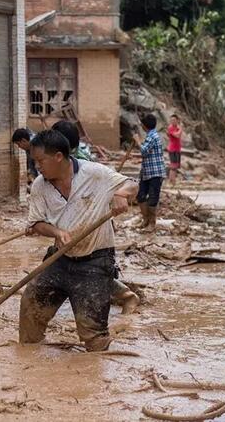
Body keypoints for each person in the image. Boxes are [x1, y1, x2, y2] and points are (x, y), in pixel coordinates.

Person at [20, 130, 138, 351]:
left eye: (40, 161)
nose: (38, 167)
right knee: (30, 311)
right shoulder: (39, 185)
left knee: (94, 340)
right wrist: (56, 232)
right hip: (59, 258)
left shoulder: (94, 174)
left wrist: (120, 194)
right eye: (35, 162)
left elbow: (132, 183)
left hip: (95, 262)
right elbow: (35, 223)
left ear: (58, 156)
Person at [49, 120, 140, 314]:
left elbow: (132, 183)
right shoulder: (51, 173)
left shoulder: (89, 168)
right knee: (53, 270)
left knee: (93, 272)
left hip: (94, 234)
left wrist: (120, 194)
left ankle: (127, 296)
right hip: (68, 235)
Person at [133, 114, 166, 232]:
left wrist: (137, 141)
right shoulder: (150, 136)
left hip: (155, 173)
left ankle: (152, 223)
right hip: (147, 172)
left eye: (142, 124)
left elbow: (144, 151)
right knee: (140, 195)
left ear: (145, 126)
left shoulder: (153, 136)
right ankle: (145, 220)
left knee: (153, 198)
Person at [166, 114, 182, 186]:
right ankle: (170, 181)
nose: (173, 121)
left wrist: (180, 129)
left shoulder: (177, 128)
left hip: (177, 149)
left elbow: (179, 135)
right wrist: (181, 129)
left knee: (176, 166)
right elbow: (177, 135)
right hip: (172, 149)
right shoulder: (170, 128)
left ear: (177, 120)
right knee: (173, 166)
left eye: (174, 120)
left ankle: (173, 182)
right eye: (171, 120)